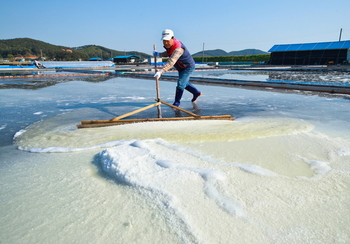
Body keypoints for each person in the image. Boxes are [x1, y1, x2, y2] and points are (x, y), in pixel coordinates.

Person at [154, 29, 201, 107]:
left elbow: (171, 62)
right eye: (164, 41)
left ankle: (177, 103)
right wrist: (159, 54)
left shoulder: (178, 48)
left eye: (167, 40)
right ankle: (196, 93)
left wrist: (161, 71)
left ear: (172, 38)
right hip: (181, 67)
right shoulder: (170, 46)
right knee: (183, 82)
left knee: (181, 84)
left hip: (187, 66)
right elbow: (169, 53)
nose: (165, 43)